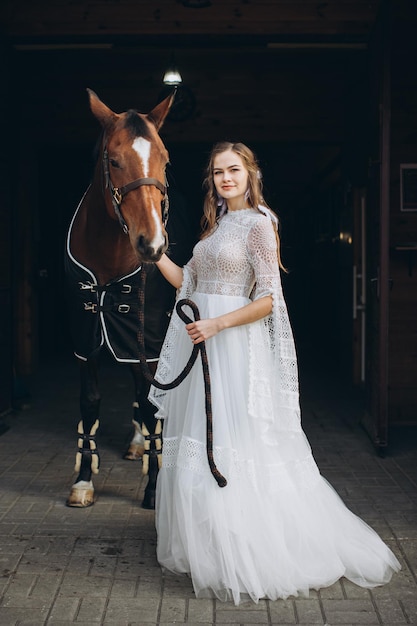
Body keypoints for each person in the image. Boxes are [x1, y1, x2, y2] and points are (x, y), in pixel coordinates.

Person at [148, 141, 401, 605]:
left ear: (250, 174)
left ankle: (250, 548)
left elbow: (268, 299)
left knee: (237, 443)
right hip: (201, 343)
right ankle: (210, 545)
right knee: (202, 441)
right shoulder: (216, 226)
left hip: (231, 346)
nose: (226, 178)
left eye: (234, 170)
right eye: (218, 172)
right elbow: (188, 281)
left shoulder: (260, 225)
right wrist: (152, 251)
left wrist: (217, 323)